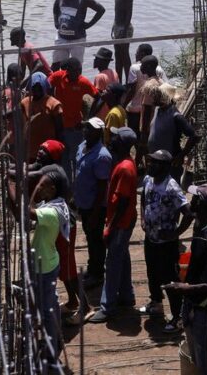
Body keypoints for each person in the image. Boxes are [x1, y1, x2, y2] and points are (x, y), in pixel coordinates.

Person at [165, 184, 207, 375]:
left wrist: (189, 289)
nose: (191, 200)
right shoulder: (200, 227)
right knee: (197, 357)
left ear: (201, 203)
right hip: (193, 302)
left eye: (195, 197)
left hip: (204, 305)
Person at [5, 164, 69, 371]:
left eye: (44, 185)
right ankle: (54, 342)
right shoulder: (53, 203)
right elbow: (20, 212)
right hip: (46, 260)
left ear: (53, 190)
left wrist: (12, 183)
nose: (39, 187)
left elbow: (24, 214)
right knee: (50, 303)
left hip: (44, 266)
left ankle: (51, 352)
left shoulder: (52, 212)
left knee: (46, 309)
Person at [138, 150, 194, 333]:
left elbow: (188, 213)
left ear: (166, 167)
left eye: (156, 163)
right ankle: (156, 303)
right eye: (150, 161)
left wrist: (176, 233)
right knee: (152, 272)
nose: (150, 165)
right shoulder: (147, 180)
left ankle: (177, 317)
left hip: (166, 244)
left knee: (170, 279)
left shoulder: (172, 187)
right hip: (151, 239)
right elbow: (143, 199)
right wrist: (143, 219)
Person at [87, 127, 138, 323]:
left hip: (121, 221)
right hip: (125, 219)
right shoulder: (124, 163)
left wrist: (110, 227)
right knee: (122, 257)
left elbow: (123, 200)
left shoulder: (125, 168)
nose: (112, 138)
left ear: (122, 142)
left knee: (113, 262)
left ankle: (108, 307)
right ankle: (127, 295)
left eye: (115, 137)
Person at [75, 117, 113, 290]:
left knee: (96, 240)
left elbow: (102, 188)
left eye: (90, 129)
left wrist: (96, 213)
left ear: (98, 132)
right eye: (85, 128)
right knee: (90, 239)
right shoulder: (82, 147)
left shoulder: (102, 156)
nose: (86, 131)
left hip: (94, 206)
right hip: (83, 202)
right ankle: (92, 268)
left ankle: (97, 274)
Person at [48, 57, 100, 175]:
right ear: (68, 70)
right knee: (63, 157)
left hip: (75, 128)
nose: (78, 73)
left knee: (77, 158)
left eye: (80, 70)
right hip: (60, 126)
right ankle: (67, 184)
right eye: (76, 70)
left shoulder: (83, 82)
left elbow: (97, 97)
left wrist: (88, 119)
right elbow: (47, 84)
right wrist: (50, 102)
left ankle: (78, 183)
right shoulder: (59, 76)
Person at [147, 83, 200, 184]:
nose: (154, 97)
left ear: (164, 97)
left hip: (169, 164)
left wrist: (181, 156)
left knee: (169, 191)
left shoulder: (175, 116)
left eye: (158, 95)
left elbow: (194, 136)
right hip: (156, 161)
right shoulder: (158, 110)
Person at [52, 0, 105, 65]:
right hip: (61, 38)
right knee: (56, 64)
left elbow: (101, 10)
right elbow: (55, 9)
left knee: (76, 66)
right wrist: (56, 22)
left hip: (77, 39)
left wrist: (89, 24)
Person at [20, 72, 64, 163]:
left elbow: (60, 130)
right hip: (30, 151)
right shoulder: (24, 103)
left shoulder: (54, 104)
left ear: (44, 87)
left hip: (48, 152)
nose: (37, 90)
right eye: (34, 87)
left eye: (40, 87)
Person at [126, 54, 164, 138]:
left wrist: (143, 133)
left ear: (149, 67)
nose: (140, 68)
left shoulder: (149, 86)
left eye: (143, 65)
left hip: (149, 127)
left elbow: (147, 110)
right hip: (157, 123)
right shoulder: (160, 81)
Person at [111, 0, 133, 82]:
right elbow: (117, 12)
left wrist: (123, 30)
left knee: (125, 55)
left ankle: (129, 81)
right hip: (117, 27)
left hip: (125, 28)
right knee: (117, 55)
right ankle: (118, 81)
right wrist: (114, 26)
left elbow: (129, 14)